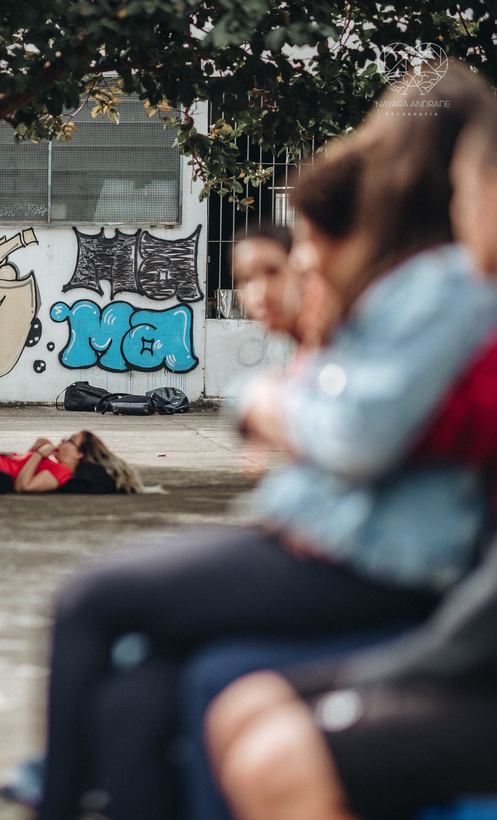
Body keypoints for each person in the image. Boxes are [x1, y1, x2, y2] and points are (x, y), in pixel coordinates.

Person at [37, 61, 497, 820]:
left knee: (87, 600)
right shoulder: (417, 279)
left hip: (365, 555)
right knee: (135, 697)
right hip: (333, 532)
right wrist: (279, 399)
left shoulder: (444, 285)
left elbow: (355, 434)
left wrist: (275, 404)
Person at [207, 71, 497, 820]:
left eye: (475, 187)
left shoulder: (445, 297)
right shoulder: (441, 298)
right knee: (235, 700)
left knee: (256, 727)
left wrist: (400, 669)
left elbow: (359, 438)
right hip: (447, 610)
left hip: (438, 610)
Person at [0, 396, 143, 495]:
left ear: (79, 454)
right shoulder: (54, 465)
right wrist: (33, 452)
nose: (62, 441)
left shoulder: (61, 473)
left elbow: (23, 486)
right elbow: (21, 468)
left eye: (69, 440)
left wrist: (38, 456)